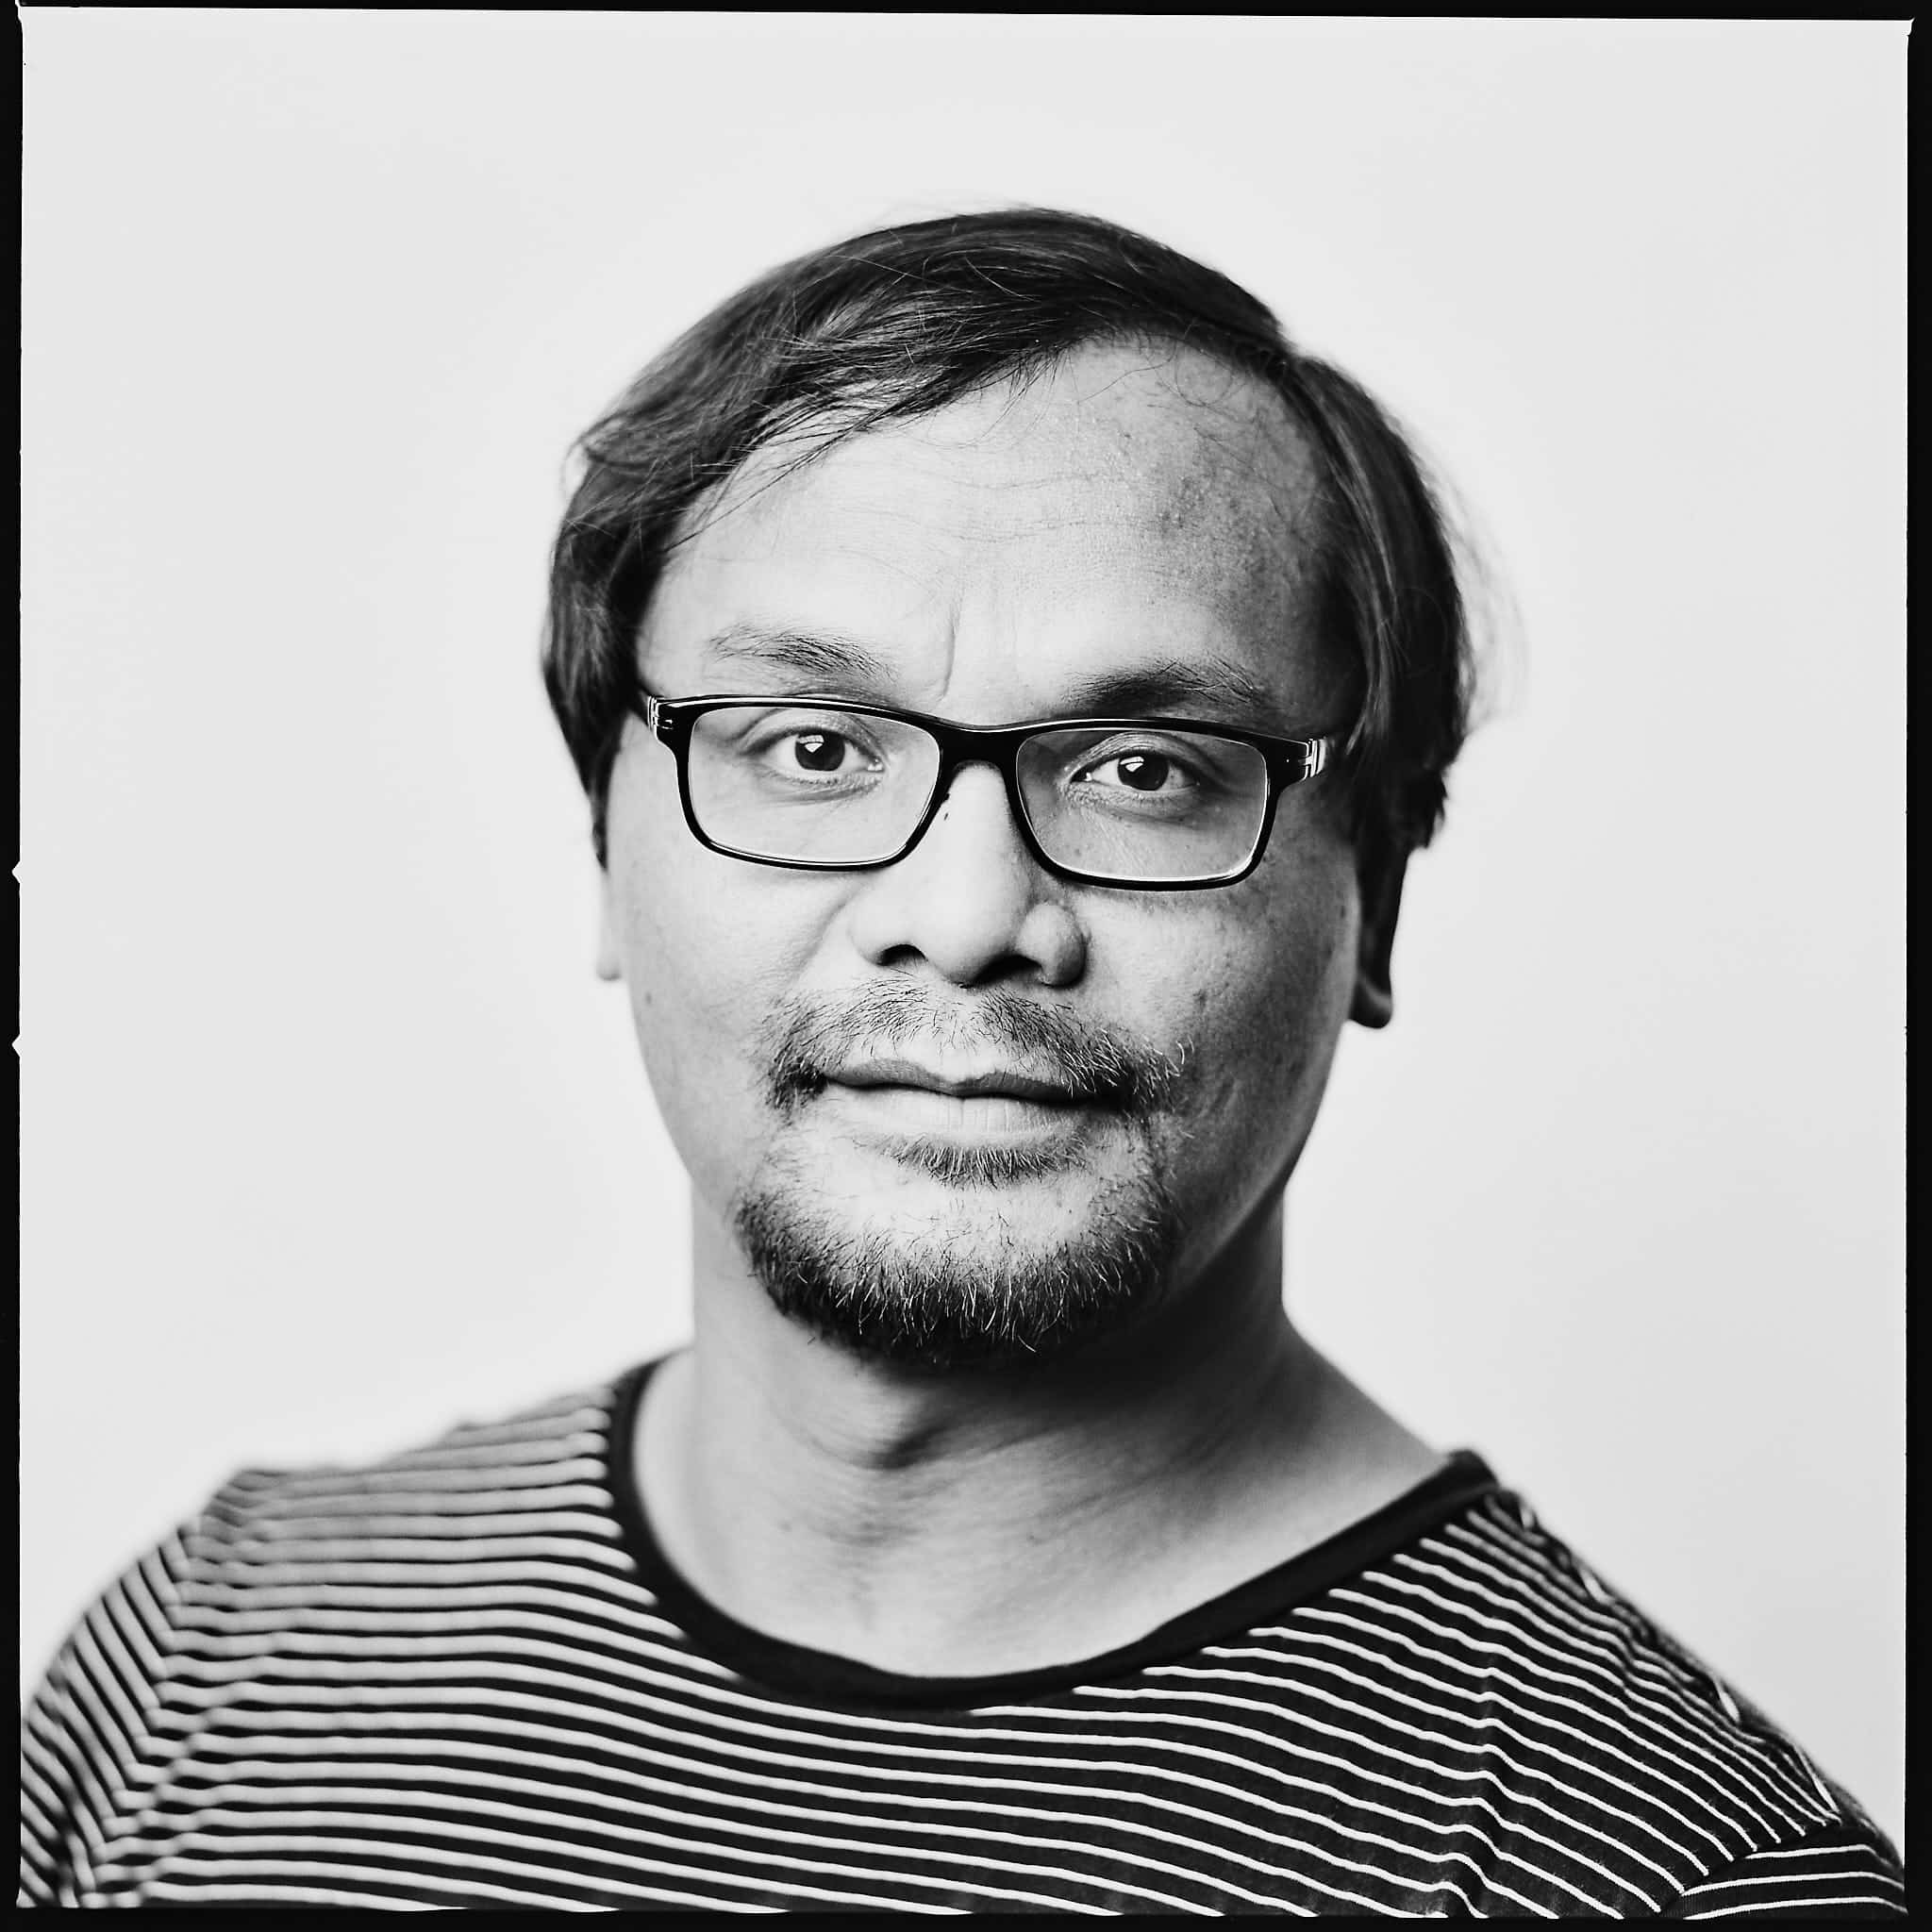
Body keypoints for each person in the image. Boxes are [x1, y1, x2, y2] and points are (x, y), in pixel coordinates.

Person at [20, 208, 1904, 1916]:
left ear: (1375, 902)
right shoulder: (205, 1654)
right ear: (607, 848)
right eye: (812, 748)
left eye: (1146, 770)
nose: (968, 909)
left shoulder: (1681, 1880)